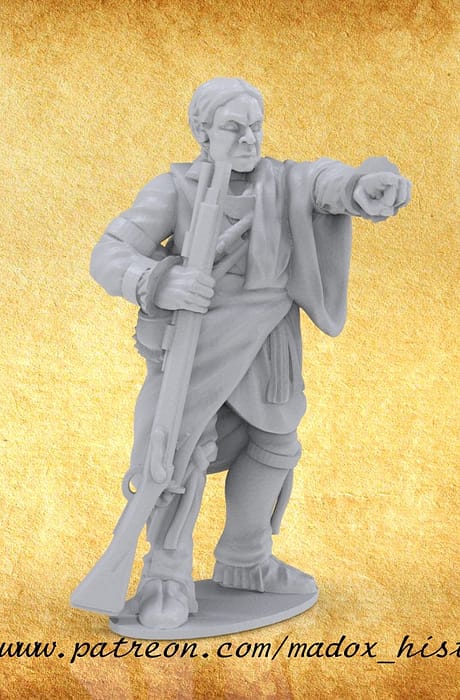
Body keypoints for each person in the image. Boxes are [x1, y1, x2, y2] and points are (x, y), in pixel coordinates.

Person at [89, 77, 411, 630]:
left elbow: (326, 183)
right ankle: (166, 576)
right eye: (233, 128)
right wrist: (158, 282)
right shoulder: (174, 189)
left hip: (268, 343)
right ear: (203, 132)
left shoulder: (284, 182)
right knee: (176, 456)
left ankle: (246, 560)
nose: (248, 139)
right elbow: (110, 252)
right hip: (197, 344)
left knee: (275, 442)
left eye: (255, 127)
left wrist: (363, 186)